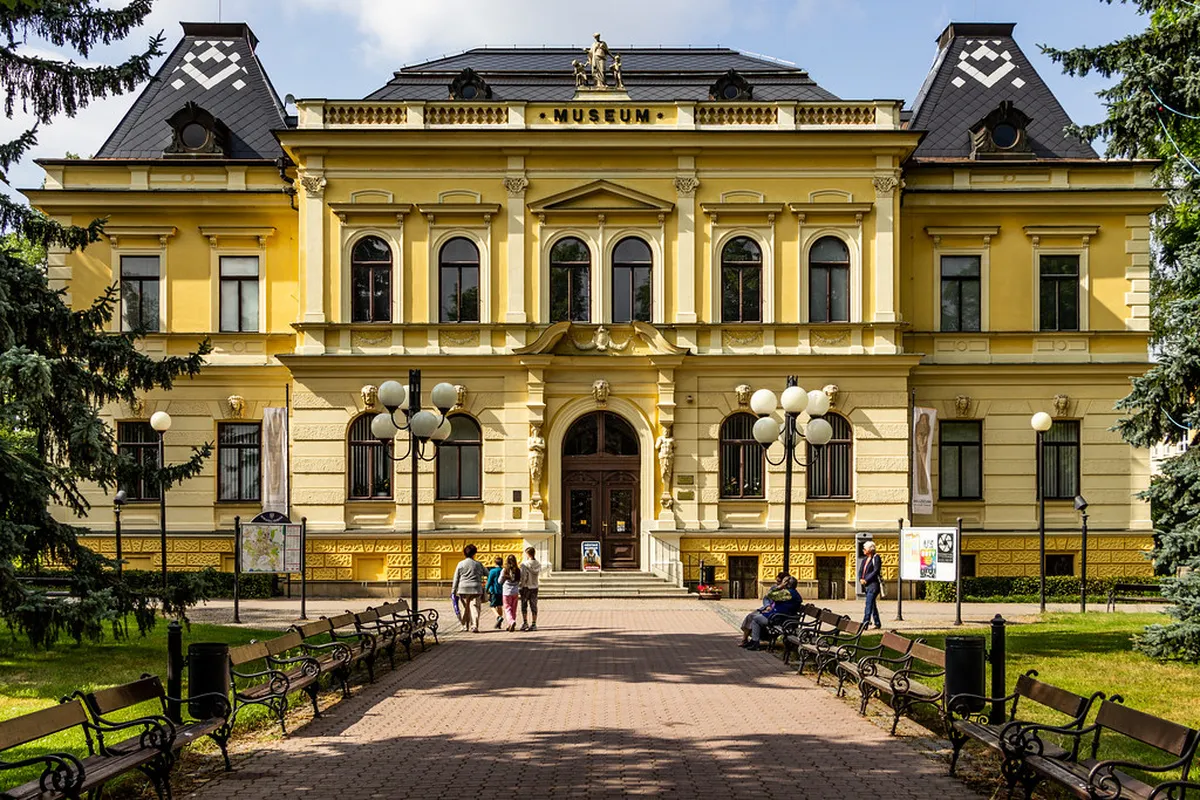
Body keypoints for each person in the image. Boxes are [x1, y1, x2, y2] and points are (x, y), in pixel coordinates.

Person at [743, 575, 802, 651]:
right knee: (756, 617)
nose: (781, 583)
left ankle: (755, 642)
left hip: (781, 619)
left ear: (786, 584)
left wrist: (779, 587)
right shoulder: (792, 593)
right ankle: (754, 641)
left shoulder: (788, 593)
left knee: (756, 619)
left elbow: (769, 595)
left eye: (783, 582)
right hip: (783, 617)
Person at [740, 571, 787, 646]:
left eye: (779, 581)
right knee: (750, 616)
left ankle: (754, 641)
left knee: (755, 618)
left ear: (784, 582)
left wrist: (771, 610)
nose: (777, 583)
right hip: (768, 609)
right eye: (776, 580)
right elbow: (766, 598)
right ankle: (744, 639)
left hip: (774, 613)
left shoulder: (786, 592)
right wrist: (767, 606)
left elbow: (781, 604)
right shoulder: (774, 587)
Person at [450, 544, 487, 633]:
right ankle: (474, 626)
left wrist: (453, 591)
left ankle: (464, 626)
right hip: (476, 589)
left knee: (465, 607)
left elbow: (456, 578)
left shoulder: (460, 564)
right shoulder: (478, 564)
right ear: (474, 553)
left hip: (463, 589)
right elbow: (487, 573)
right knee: (474, 607)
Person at [860, 540, 883, 629]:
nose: (863, 550)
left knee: (868, 603)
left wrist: (866, 579)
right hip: (866, 585)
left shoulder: (876, 558)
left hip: (873, 585)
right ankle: (877, 623)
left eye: (864, 548)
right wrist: (860, 579)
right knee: (872, 604)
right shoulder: (865, 559)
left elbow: (876, 571)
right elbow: (861, 570)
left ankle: (865, 623)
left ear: (870, 549)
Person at [519, 546, 541, 631]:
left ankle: (525, 623)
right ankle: (534, 624)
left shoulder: (524, 564)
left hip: (526, 587)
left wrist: (521, 586)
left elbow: (524, 577)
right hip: (534, 586)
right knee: (534, 606)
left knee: (524, 605)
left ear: (528, 554)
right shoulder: (538, 564)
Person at [500, 554, 522, 632]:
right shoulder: (518, 570)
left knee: (507, 608)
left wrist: (504, 580)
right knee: (513, 609)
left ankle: (511, 621)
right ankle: (510, 625)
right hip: (515, 592)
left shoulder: (504, 570)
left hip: (506, 592)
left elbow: (499, 581)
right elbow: (520, 580)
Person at [485, 556, 504, 630]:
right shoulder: (503, 570)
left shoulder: (493, 571)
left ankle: (498, 617)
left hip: (494, 591)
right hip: (502, 591)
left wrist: (486, 589)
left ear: (495, 563)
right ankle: (499, 623)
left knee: (492, 606)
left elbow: (489, 581)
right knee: (499, 606)